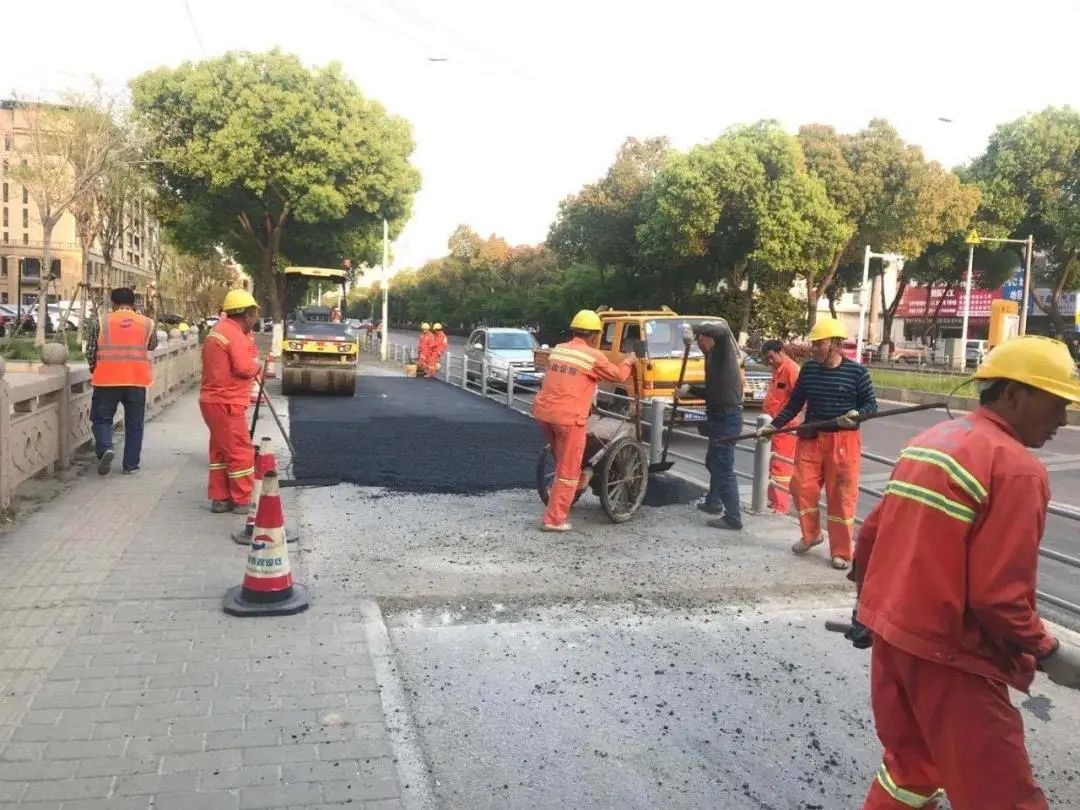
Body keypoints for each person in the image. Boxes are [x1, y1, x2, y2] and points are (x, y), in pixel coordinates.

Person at [847, 336, 1080, 809]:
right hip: (950, 652)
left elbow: (871, 536)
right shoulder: (1016, 469)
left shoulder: (929, 442)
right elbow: (999, 598)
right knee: (1003, 794)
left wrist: (867, 610)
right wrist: (1049, 650)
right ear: (1014, 394)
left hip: (894, 639)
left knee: (909, 770)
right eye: (1056, 404)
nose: (1063, 420)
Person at [758, 316, 877, 569]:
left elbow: (870, 405)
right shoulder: (810, 370)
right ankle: (811, 535)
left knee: (841, 496)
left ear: (834, 344)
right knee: (801, 488)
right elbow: (794, 403)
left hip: (843, 441)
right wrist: (773, 426)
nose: (813, 349)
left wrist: (857, 416)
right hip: (811, 437)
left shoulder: (857, 373)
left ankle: (842, 552)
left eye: (818, 344)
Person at [532, 309, 636, 532]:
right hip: (569, 419)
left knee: (563, 459)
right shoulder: (592, 356)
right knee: (567, 471)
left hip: (544, 414)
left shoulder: (559, 350)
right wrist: (629, 360)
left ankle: (582, 477)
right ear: (594, 335)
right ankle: (554, 520)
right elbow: (618, 376)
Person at [675, 321, 745, 530]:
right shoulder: (710, 358)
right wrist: (689, 389)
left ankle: (733, 516)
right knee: (713, 461)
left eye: (699, 339)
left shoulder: (723, 351)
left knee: (723, 466)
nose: (698, 343)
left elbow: (723, 330)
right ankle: (714, 502)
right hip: (717, 415)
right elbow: (713, 392)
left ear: (707, 337)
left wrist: (694, 327)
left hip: (728, 417)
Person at [199, 289, 261, 513]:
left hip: (211, 400)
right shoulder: (234, 334)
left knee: (219, 450)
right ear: (247, 314)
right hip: (227, 401)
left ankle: (220, 497)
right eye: (255, 314)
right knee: (241, 451)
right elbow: (244, 368)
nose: (255, 319)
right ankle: (242, 500)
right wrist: (258, 366)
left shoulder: (218, 331)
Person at [85, 287, 158, 475]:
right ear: (134, 304)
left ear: (113, 303)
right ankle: (130, 465)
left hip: (107, 379)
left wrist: (95, 369)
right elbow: (152, 344)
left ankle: (105, 448)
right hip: (136, 379)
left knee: (101, 419)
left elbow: (90, 351)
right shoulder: (147, 323)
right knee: (135, 424)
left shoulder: (100, 321)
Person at [760, 339, 802, 514]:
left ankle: (781, 505)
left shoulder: (791, 370)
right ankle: (774, 501)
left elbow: (799, 399)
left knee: (781, 467)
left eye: (771, 357)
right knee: (772, 464)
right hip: (773, 425)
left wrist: (784, 420)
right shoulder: (778, 370)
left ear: (780, 352)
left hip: (785, 428)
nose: (769, 361)